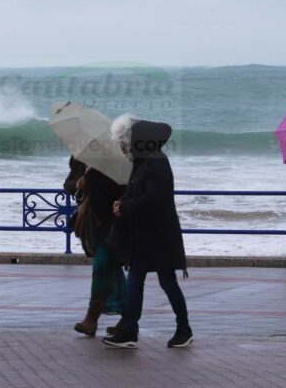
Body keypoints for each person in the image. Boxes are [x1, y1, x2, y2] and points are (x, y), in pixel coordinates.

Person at [102, 115, 192, 349]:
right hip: (145, 235)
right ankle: (131, 330)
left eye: (122, 143)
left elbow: (155, 199)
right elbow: (135, 192)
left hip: (160, 236)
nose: (121, 149)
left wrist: (126, 206)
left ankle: (183, 328)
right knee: (137, 280)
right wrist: (121, 202)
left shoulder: (157, 162)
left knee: (167, 282)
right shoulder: (144, 161)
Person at [63, 156, 127, 337]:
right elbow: (68, 185)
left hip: (114, 223)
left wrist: (93, 176)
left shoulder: (118, 161)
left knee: (102, 265)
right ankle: (128, 318)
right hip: (92, 223)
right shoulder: (79, 160)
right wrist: (78, 184)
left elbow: (124, 189)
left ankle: (91, 319)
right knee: (111, 267)